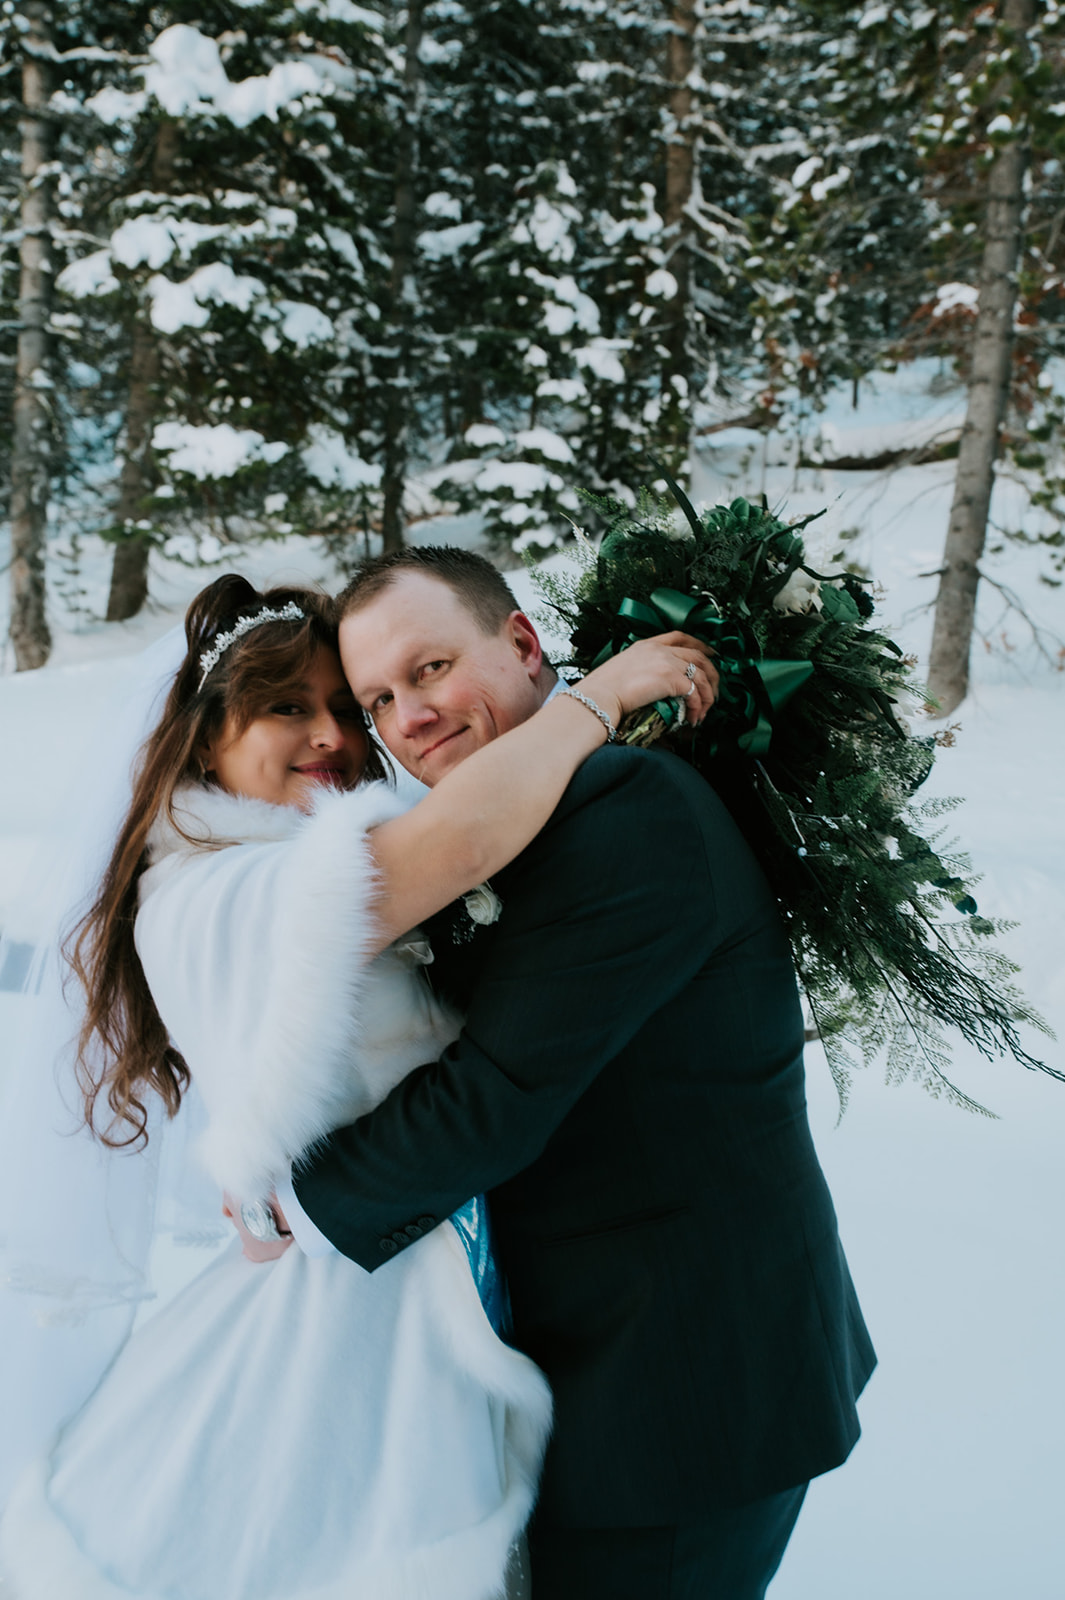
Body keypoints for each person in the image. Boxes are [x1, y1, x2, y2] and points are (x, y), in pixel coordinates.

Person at [0, 572, 714, 1600]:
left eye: (348, 706)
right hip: (345, 1324)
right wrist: (593, 704)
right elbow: (454, 842)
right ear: (205, 740)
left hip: (402, 1280)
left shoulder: (264, 868)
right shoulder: (220, 889)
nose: (334, 735)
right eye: (287, 706)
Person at [276, 546, 878, 1600]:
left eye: (429, 668)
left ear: (521, 644)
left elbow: (493, 1102)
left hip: (682, 1395)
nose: (407, 714)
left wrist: (296, 1193)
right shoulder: (521, 816)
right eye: (379, 698)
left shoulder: (623, 808)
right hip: (605, 1377)